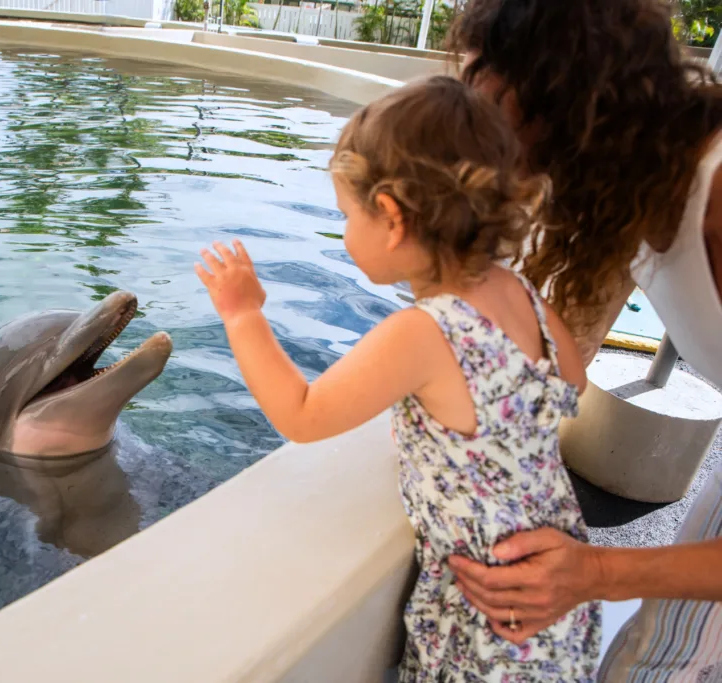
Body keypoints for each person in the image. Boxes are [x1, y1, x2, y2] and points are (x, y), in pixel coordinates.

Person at [196, 76, 600, 681]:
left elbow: (301, 413)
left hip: (487, 617)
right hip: (557, 597)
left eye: (346, 214)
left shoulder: (424, 331)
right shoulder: (522, 293)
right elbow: (572, 382)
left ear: (390, 216)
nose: (343, 231)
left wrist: (242, 314)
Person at [442, 0, 722, 679]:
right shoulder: (630, 185)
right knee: (658, 653)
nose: (473, 139)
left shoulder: (715, 201)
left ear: (567, 97)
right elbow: (551, 354)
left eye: (488, 105)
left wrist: (594, 570)